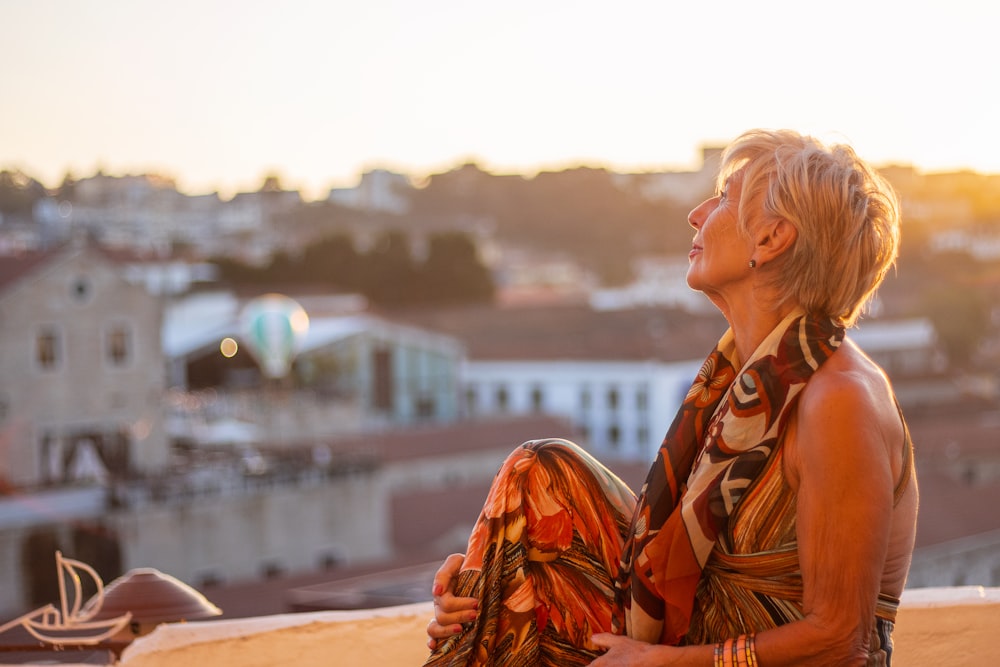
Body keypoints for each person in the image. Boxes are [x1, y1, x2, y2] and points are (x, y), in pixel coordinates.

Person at [423, 129, 919, 666]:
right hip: (687, 645)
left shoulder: (838, 400)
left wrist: (664, 664)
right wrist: (497, 566)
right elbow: (657, 557)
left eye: (727, 196)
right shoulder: (748, 384)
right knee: (539, 473)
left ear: (771, 239)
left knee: (539, 468)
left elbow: (842, 643)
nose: (697, 213)